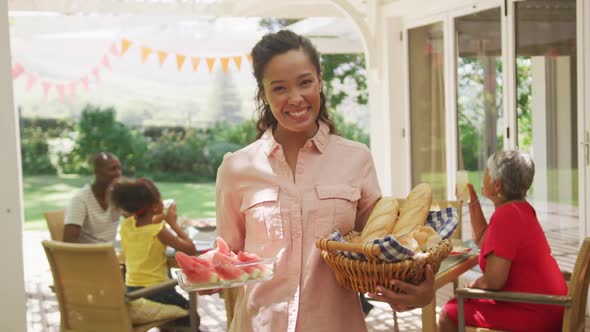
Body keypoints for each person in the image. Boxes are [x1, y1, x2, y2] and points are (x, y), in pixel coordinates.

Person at [213, 29, 433, 332]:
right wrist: (211, 272)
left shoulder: (356, 159)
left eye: (305, 82)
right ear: (263, 94)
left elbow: (383, 251)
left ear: (320, 80)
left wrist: (416, 289)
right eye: (279, 88)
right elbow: (228, 256)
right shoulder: (235, 168)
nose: (295, 98)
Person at [438, 150, 567, 332]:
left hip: (535, 311)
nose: (483, 176)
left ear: (497, 185)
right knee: (463, 301)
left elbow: (493, 282)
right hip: (549, 305)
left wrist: (470, 286)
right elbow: (484, 240)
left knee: (449, 312)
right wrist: (471, 199)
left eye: (486, 172)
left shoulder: (507, 216)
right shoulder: (519, 209)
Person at [109, 177, 197, 325]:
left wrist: (159, 215)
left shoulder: (127, 226)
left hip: (132, 291)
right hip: (156, 292)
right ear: (155, 205)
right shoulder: (158, 230)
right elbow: (190, 249)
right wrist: (173, 224)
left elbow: (145, 224)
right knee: (193, 317)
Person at [63, 152, 122, 243]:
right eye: (112, 169)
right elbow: (69, 240)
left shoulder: (117, 196)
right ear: (96, 171)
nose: (118, 173)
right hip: (89, 254)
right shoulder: (80, 199)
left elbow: (137, 218)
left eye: (119, 168)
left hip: (110, 251)